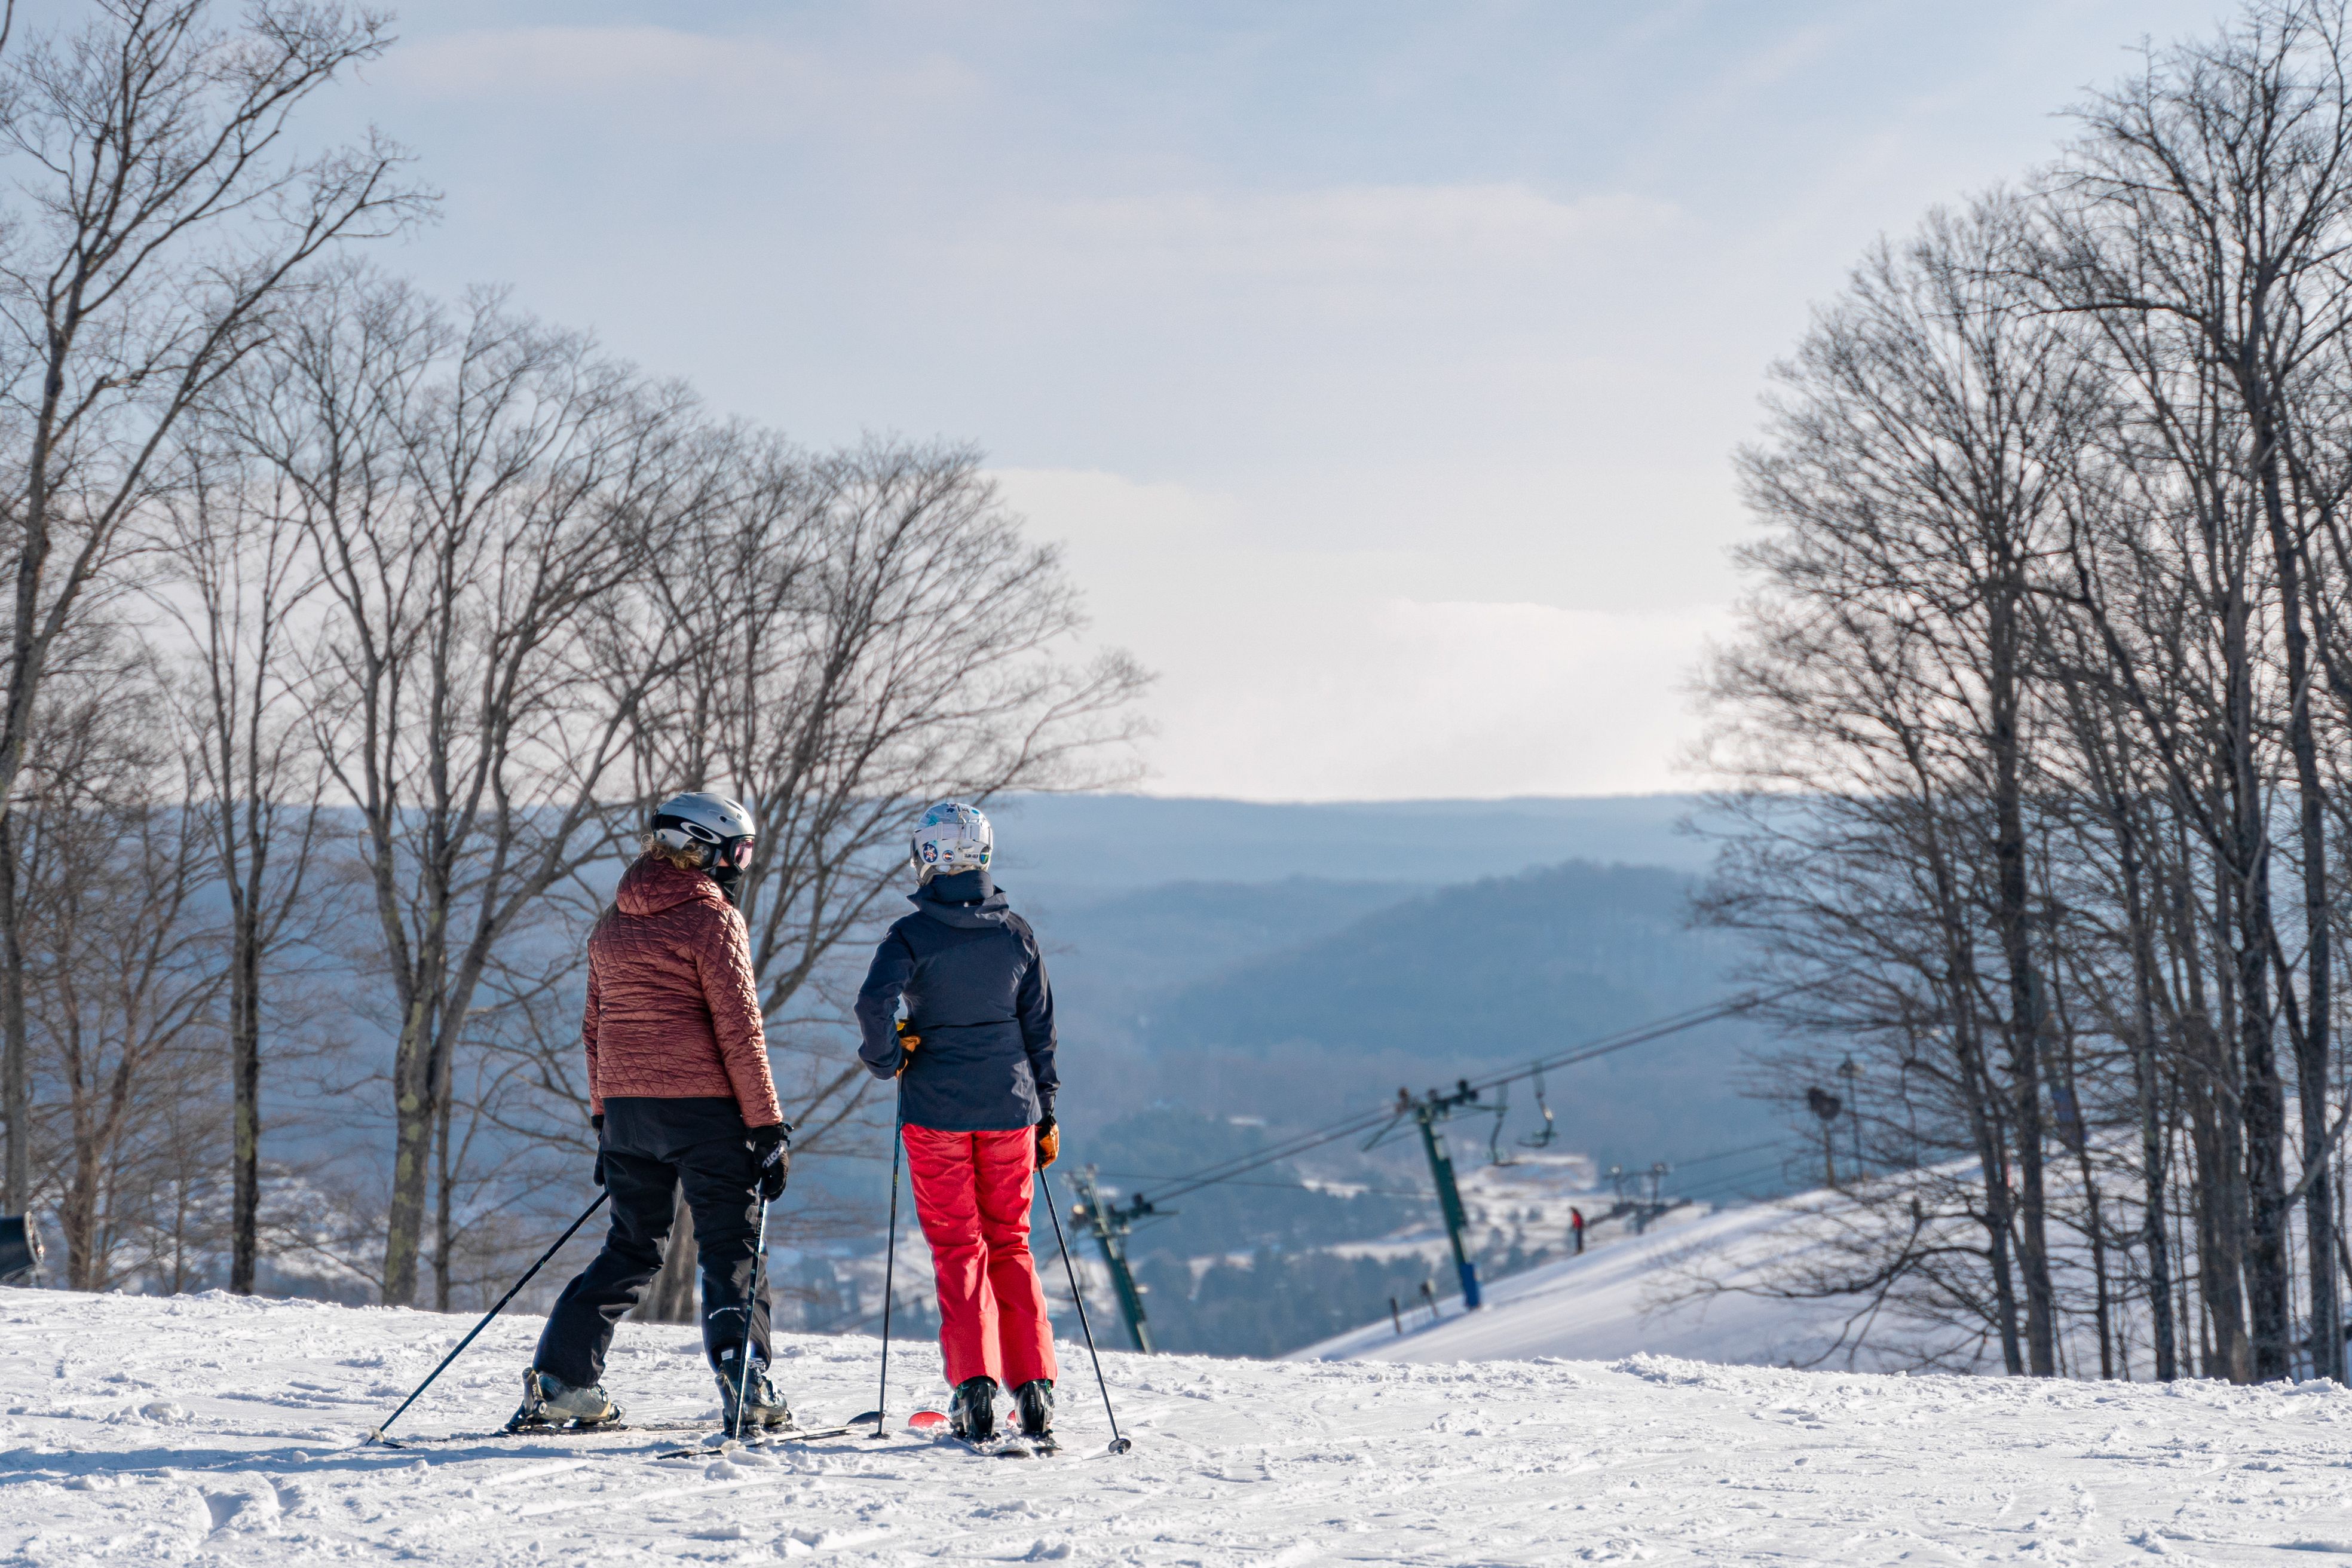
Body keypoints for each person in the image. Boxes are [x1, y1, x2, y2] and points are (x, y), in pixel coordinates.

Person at [514, 792, 794, 1434]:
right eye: (739, 850)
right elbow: (740, 1033)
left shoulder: (612, 921)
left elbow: (593, 1030)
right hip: (704, 1112)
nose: (742, 864)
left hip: (630, 1114)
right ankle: (745, 1382)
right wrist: (768, 1126)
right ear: (706, 845)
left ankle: (561, 1380)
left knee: (633, 1245)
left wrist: (604, 1121)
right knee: (731, 1243)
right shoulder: (710, 918)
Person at [855, 801, 1060, 1445]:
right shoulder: (1016, 933)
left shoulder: (911, 935)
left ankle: (974, 1389)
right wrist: (1046, 1111)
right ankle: (1035, 1389)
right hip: (1010, 1109)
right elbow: (1040, 1032)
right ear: (985, 855)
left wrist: (890, 1057)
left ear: (927, 860)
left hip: (936, 1112)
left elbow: (872, 1003)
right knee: (1012, 1242)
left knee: (958, 1247)